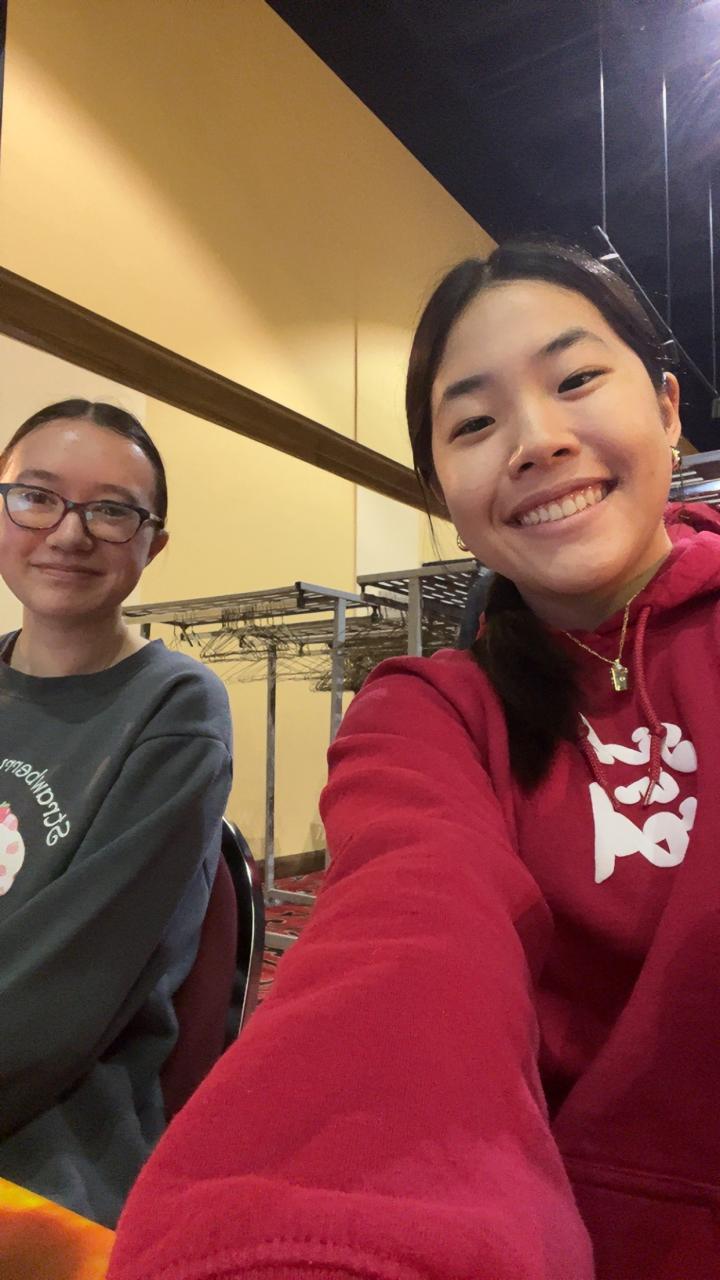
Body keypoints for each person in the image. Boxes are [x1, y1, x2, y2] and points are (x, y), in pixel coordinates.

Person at [108, 242, 720, 1280]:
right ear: (444, 494)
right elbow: (404, 943)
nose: (536, 440)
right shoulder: (425, 714)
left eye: (576, 378)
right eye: (475, 424)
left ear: (668, 408)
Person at [0, 400, 233, 1228]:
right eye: (37, 497)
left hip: (50, 1135)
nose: (69, 534)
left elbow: (61, 996)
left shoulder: (176, 709)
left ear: (151, 544)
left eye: (111, 511)